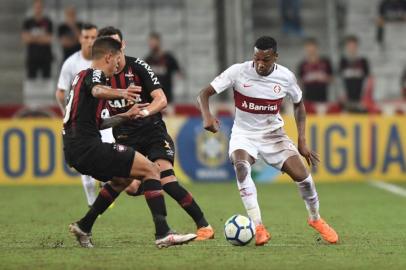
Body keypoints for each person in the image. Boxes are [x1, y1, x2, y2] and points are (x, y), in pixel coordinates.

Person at [197, 36, 339, 246]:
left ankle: (315, 219)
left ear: (275, 57)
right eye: (257, 59)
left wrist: (302, 140)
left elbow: (299, 104)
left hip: (273, 134)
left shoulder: (286, 77)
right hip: (243, 134)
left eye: (266, 60)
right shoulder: (238, 71)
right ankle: (258, 226)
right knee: (241, 168)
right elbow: (204, 93)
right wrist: (207, 117)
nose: (260, 64)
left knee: (304, 178)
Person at [64, 37, 196, 248]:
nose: (118, 65)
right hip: (88, 146)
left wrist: (125, 115)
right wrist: (122, 92)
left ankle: (84, 225)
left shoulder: (80, 78)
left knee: (121, 179)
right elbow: (98, 90)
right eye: (116, 60)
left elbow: (99, 123)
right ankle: (163, 233)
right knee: (151, 170)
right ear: (108, 56)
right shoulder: (94, 75)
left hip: (74, 149)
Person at [97, 26, 214, 240]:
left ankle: (204, 225)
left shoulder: (138, 66)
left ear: (122, 45)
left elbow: (161, 99)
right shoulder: (99, 76)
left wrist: (144, 111)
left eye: (116, 44)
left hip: (152, 133)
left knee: (167, 179)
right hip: (124, 137)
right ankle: (87, 224)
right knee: (130, 188)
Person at [56, 23, 114, 207]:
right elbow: (60, 92)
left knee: (107, 152)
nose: (89, 41)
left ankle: (105, 185)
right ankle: (91, 200)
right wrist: (68, 114)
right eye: (86, 37)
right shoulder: (71, 63)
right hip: (82, 122)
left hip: (102, 117)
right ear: (80, 39)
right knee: (86, 163)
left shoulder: (102, 60)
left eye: (93, 38)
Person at [144, 32, 181, 104]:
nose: (151, 44)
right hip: (153, 97)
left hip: (167, 96)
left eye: (153, 42)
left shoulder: (168, 57)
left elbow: (178, 72)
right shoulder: (148, 59)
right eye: (150, 42)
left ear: (158, 41)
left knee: (170, 115)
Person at [21, 0, 53, 79]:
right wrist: (41, 38)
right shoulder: (28, 22)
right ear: (33, 8)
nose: (38, 9)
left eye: (40, 7)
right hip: (32, 57)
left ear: (42, 8)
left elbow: (49, 39)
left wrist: (33, 37)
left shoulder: (48, 22)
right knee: (31, 81)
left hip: (45, 57)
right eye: (36, 7)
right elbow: (25, 39)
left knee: (47, 81)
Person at [339, 35, 370, 111]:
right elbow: (339, 80)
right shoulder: (343, 62)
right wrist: (342, 96)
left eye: (354, 46)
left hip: (360, 99)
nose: (352, 48)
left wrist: (366, 97)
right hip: (347, 100)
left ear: (357, 46)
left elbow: (369, 80)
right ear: (347, 47)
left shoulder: (363, 61)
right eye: (350, 46)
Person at [297, 38, 333, 103]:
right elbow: (299, 82)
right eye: (309, 47)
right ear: (306, 48)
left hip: (323, 98)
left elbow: (332, 79)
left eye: (313, 47)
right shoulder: (302, 65)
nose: (311, 50)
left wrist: (322, 77)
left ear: (317, 47)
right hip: (308, 98)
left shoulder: (325, 62)